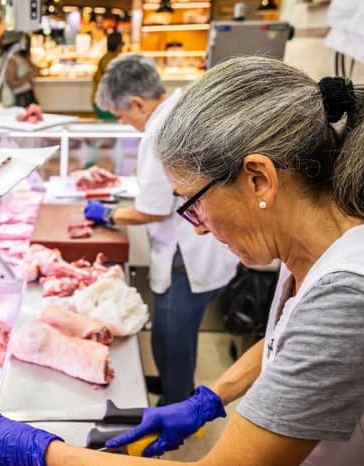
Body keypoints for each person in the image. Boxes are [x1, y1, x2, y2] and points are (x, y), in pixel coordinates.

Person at [0, 56, 364, 465]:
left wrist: (44, 452)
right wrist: (211, 397)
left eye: (192, 202)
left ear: (259, 179)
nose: (198, 226)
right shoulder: (348, 232)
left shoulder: (350, 296)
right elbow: (292, 339)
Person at [87, 55, 238, 406]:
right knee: (176, 335)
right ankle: (172, 386)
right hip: (207, 246)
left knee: (172, 337)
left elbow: (151, 211)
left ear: (138, 103)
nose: (125, 124)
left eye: (123, 116)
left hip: (186, 257)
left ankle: (175, 406)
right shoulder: (184, 106)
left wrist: (108, 214)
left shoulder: (159, 132)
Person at [90, 31, 124, 120]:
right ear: (118, 45)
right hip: (104, 101)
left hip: (103, 100)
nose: (123, 47)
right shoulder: (111, 60)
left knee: (110, 128)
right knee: (111, 127)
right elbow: (113, 81)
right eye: (122, 43)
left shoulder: (107, 58)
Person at [3, 33, 38, 107]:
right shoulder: (11, 59)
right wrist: (29, 75)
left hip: (26, 94)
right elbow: (13, 83)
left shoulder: (19, 56)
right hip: (20, 96)